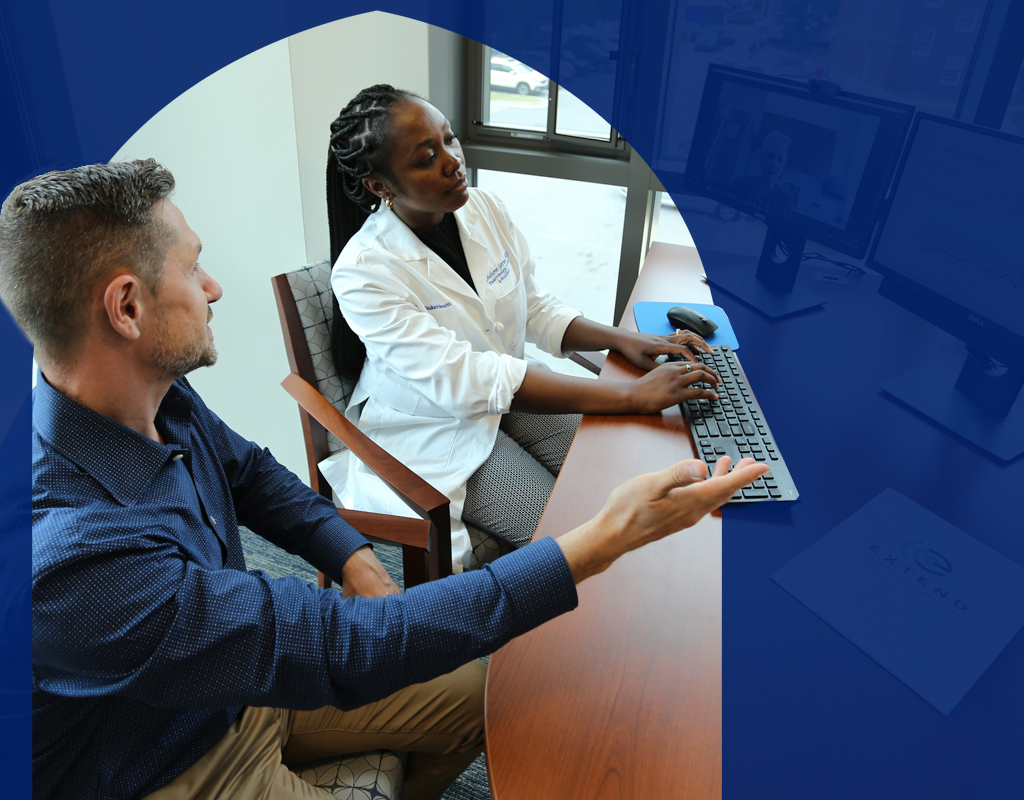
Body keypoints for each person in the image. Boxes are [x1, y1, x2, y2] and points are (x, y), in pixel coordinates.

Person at [2, 160, 766, 800]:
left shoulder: (151, 395)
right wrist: (599, 541)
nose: (212, 288)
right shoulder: (71, 563)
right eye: (192, 265)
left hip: (239, 684)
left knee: (479, 699)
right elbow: (345, 646)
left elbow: (254, 475)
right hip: (164, 765)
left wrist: (352, 556)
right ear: (127, 308)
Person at [328, 85, 723, 570]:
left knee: (621, 476)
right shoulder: (364, 271)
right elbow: (465, 382)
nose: (453, 161)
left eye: (451, 139)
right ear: (380, 186)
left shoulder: (484, 209)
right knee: (578, 538)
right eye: (427, 157)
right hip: (439, 431)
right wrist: (630, 395)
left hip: (513, 394)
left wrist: (625, 339)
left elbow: (534, 307)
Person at [730, 129, 797, 211]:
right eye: (770, 156)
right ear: (761, 159)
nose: (774, 164)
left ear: (783, 167)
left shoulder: (787, 200)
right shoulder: (740, 183)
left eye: (780, 160)